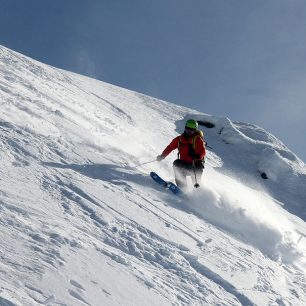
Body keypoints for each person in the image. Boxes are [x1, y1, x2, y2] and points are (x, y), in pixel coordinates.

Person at [156, 119, 206, 190]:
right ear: (185, 128)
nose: (189, 131)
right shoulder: (179, 139)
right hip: (184, 165)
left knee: (196, 184)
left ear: (194, 130)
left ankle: (198, 193)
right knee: (176, 163)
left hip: (195, 166)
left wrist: (198, 156)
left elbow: (202, 151)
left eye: (191, 130)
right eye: (187, 128)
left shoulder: (197, 139)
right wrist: (162, 156)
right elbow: (170, 147)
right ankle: (182, 188)